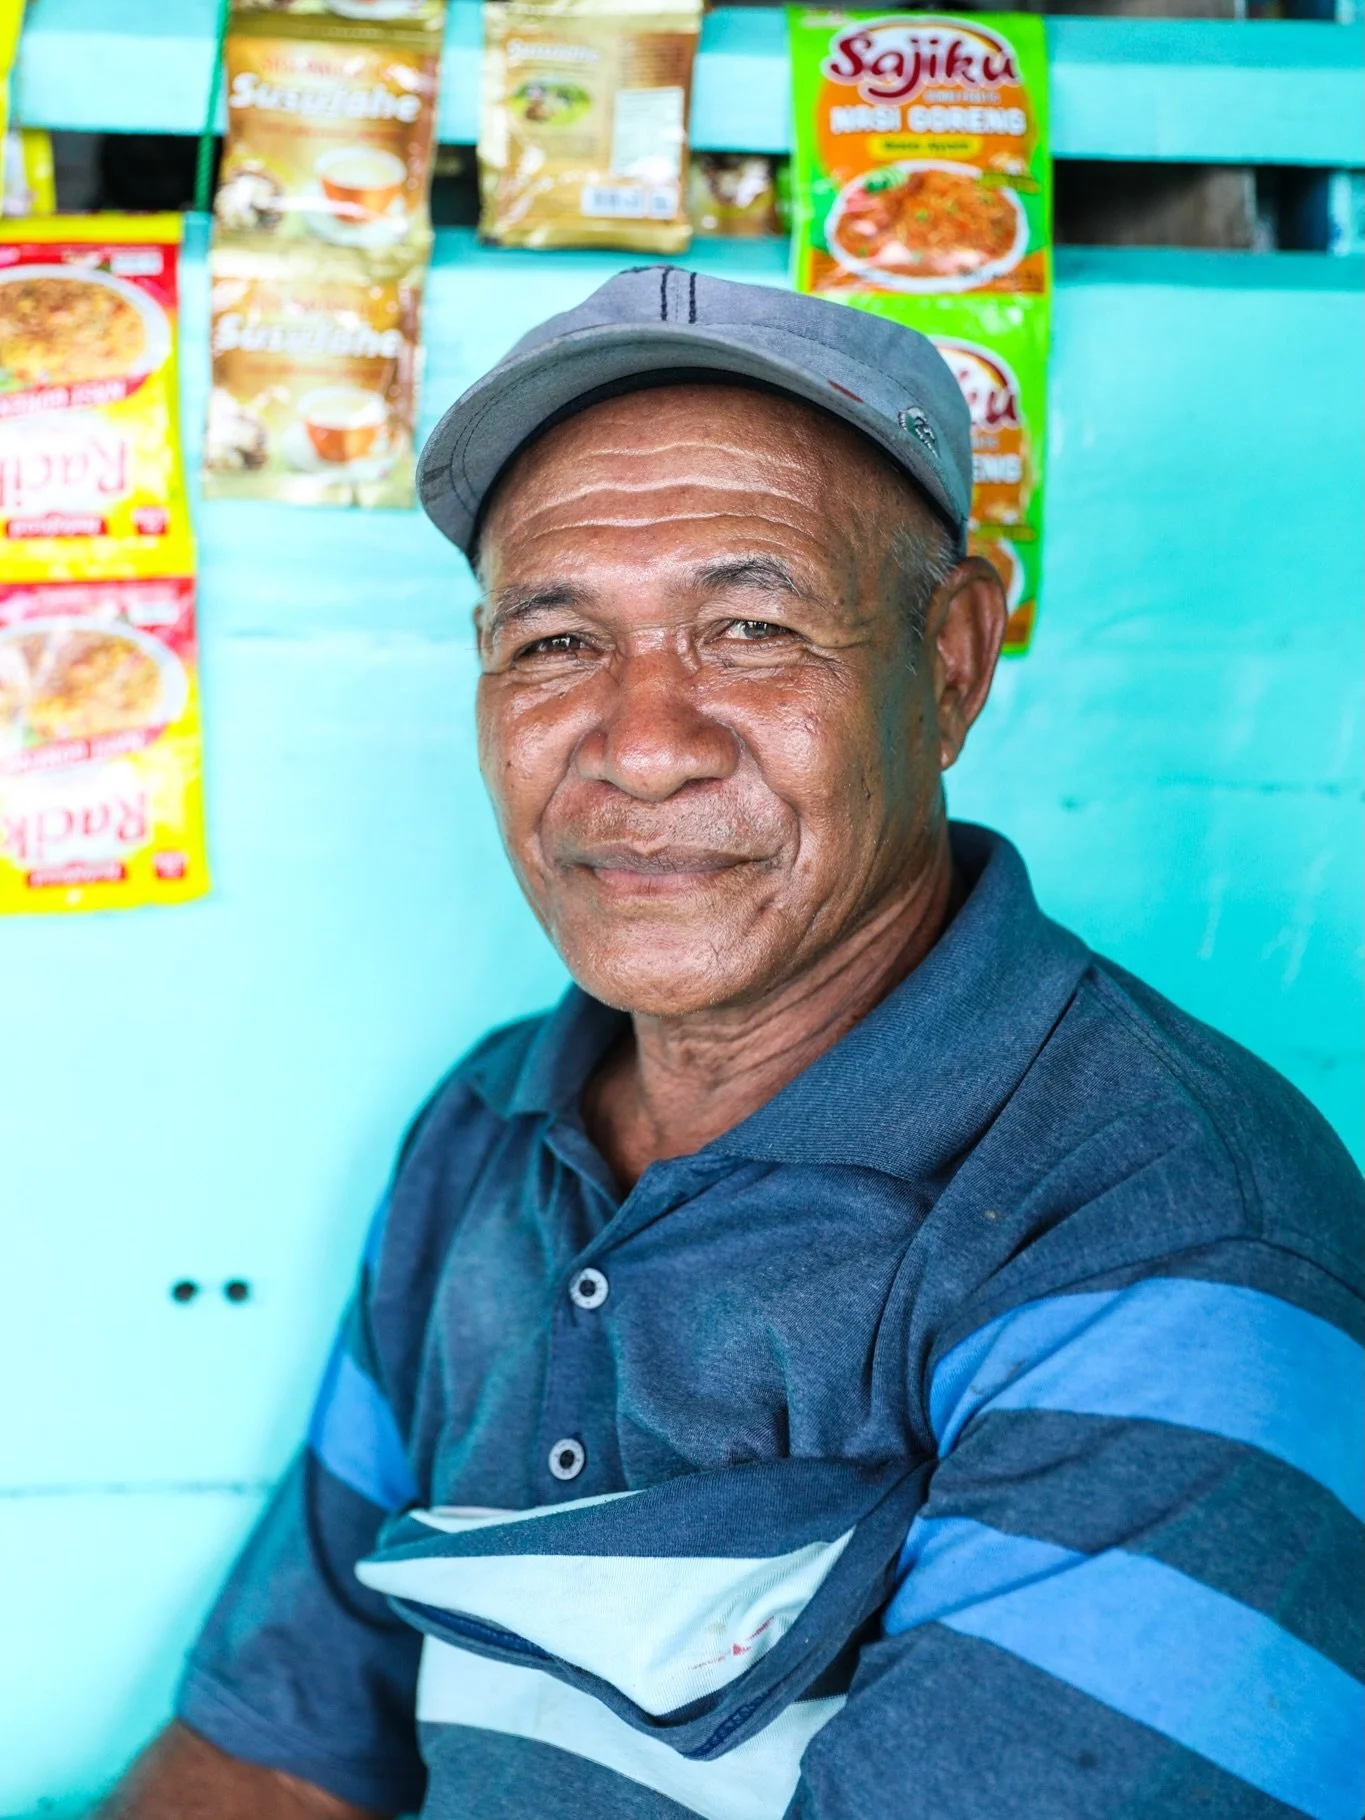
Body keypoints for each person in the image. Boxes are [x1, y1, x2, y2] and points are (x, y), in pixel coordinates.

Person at [105, 269, 1363, 1820]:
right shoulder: (490, 1134)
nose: (642, 744)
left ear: (952, 665)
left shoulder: (1163, 1242)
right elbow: (276, 1759)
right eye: (557, 644)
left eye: (751, 629)